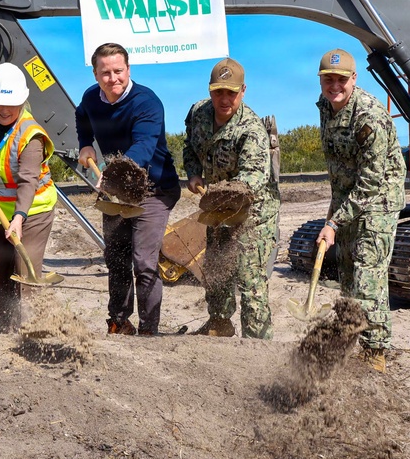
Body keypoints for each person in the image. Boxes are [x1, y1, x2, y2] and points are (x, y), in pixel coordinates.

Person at [75, 43, 181, 336]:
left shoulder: (146, 103)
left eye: (118, 71)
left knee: (144, 260)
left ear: (129, 69)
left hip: (155, 189)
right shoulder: (90, 98)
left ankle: (149, 330)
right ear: (96, 74)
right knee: (116, 257)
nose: (113, 78)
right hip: (116, 190)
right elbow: (82, 116)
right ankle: (119, 322)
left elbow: (143, 148)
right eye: (106, 73)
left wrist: (112, 176)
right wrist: (85, 143)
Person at [314, 48, 406, 372]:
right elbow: (339, 170)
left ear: (354, 78)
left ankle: (375, 354)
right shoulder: (325, 107)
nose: (334, 85)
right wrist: (333, 217)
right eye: (328, 79)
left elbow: (370, 181)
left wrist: (334, 223)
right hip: (348, 199)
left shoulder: (369, 116)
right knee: (348, 278)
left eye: (341, 79)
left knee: (368, 279)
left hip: (378, 201)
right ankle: (348, 343)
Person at [183, 58, 280, 339]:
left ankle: (258, 341)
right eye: (218, 92)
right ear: (210, 89)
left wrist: (222, 196)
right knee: (216, 268)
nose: (224, 99)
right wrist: (193, 173)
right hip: (217, 206)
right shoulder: (198, 113)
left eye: (231, 93)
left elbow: (254, 178)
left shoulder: (251, 130)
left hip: (253, 211)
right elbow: (189, 146)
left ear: (243, 91)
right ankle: (220, 323)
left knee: (249, 276)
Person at [0, 62, 57, 334]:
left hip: (33, 212)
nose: (5, 110)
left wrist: (19, 218)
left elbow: (28, 180)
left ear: (22, 101)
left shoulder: (31, 135)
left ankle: (30, 333)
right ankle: (2, 334)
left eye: (12, 104)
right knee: (0, 275)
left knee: (25, 276)